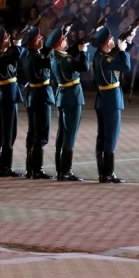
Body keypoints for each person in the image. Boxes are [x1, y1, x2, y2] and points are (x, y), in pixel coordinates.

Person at [92, 26, 133, 183]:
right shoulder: (105, 59)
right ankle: (108, 173)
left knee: (103, 136)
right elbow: (125, 66)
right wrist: (123, 50)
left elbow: (115, 57)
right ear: (105, 43)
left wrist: (128, 42)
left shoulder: (101, 56)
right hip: (111, 99)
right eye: (110, 40)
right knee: (110, 137)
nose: (113, 41)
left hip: (104, 98)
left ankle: (103, 173)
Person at [47, 28, 87, 181]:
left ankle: (60, 169)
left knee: (62, 134)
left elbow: (68, 54)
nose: (66, 41)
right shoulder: (64, 59)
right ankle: (66, 171)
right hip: (72, 96)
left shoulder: (55, 57)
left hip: (62, 95)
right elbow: (83, 67)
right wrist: (83, 51)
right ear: (59, 43)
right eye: (63, 40)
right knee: (70, 134)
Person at [19, 27, 55, 179]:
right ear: (34, 42)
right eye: (39, 39)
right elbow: (52, 63)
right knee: (41, 134)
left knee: (32, 133)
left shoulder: (26, 56)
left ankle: (30, 168)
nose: (42, 41)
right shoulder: (37, 58)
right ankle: (37, 169)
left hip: (32, 96)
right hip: (41, 96)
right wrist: (54, 46)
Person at [0, 27, 23, 177]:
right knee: (7, 133)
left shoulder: (2, 54)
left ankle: (4, 165)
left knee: (9, 133)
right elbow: (16, 55)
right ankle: (4, 167)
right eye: (7, 39)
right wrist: (18, 44)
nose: (9, 41)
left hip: (9, 95)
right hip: (6, 96)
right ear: (2, 42)